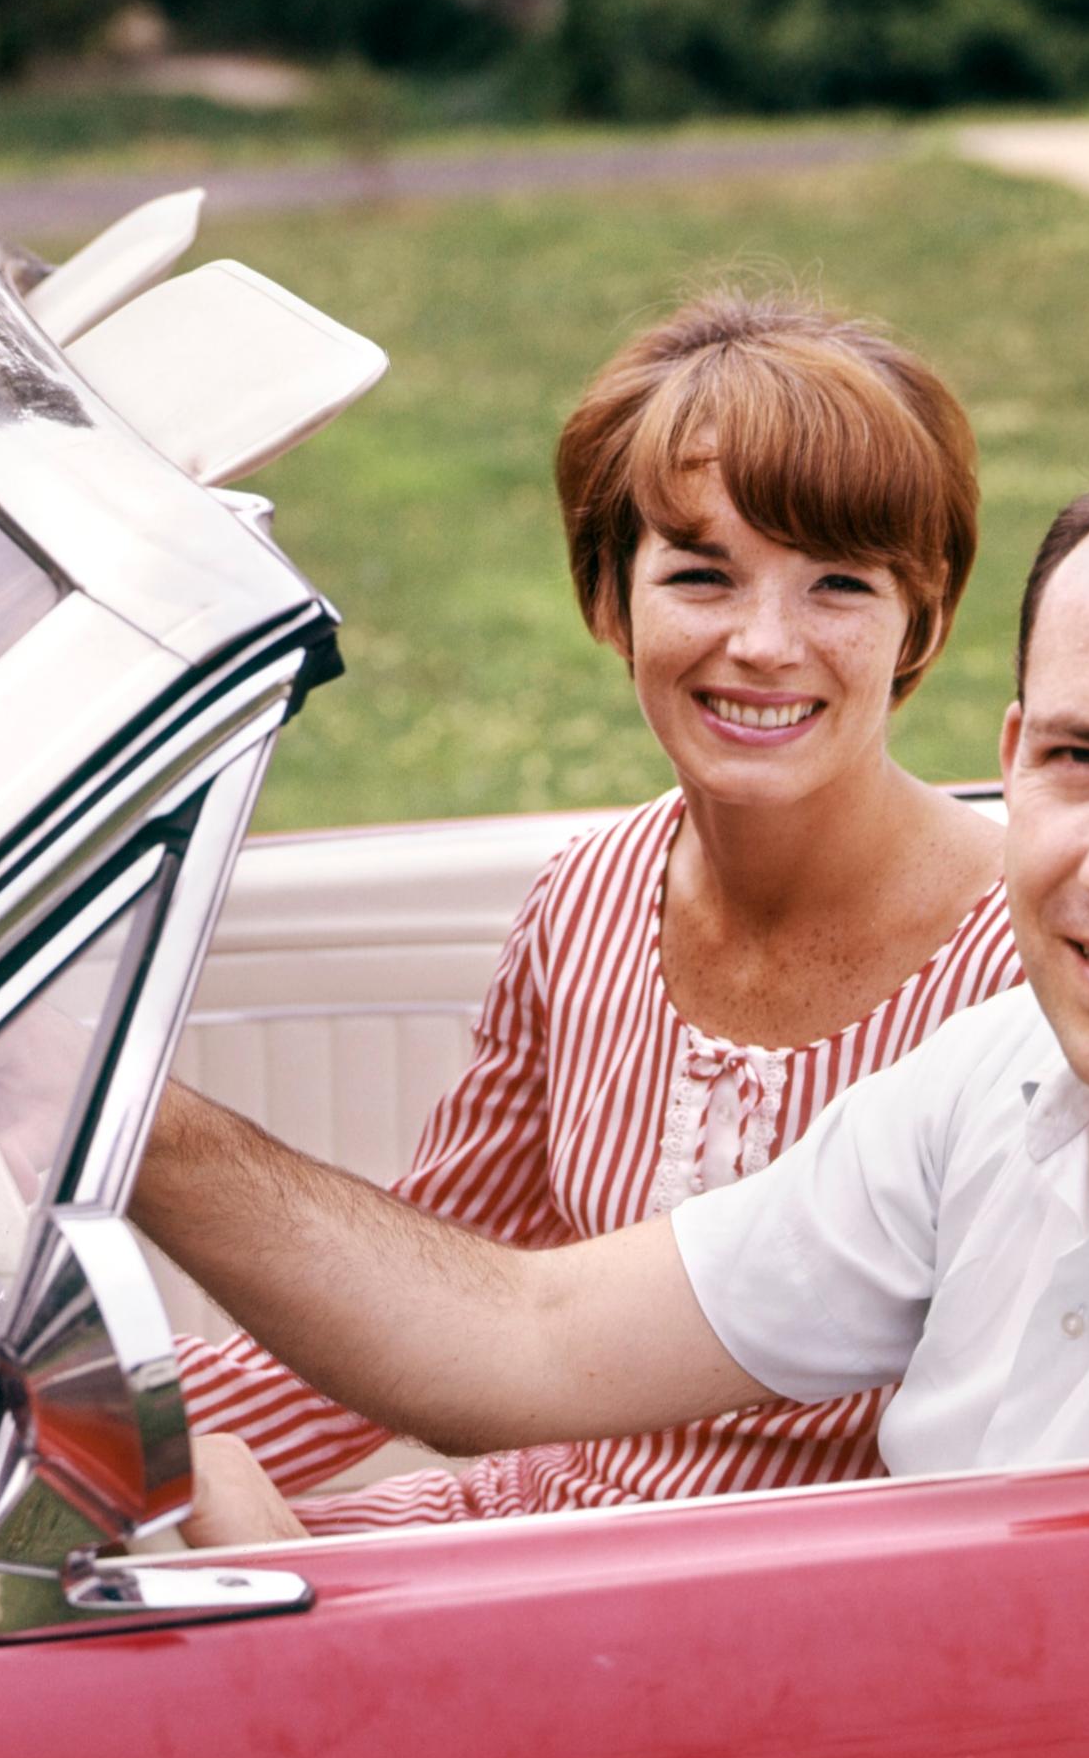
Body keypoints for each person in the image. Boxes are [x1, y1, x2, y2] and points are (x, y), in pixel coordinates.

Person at [145, 448, 1089, 1529]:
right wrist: (128, 1125)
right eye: (1083, 761)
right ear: (1018, 745)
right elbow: (525, 1339)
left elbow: (1047, 1727)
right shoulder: (1016, 1073)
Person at [178, 291, 1020, 1540]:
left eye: (838, 585)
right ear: (611, 603)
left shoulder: (1024, 966)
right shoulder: (585, 899)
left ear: (925, 620)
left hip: (826, 1600)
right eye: (701, 575)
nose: (764, 642)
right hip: (537, 1525)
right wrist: (104, 1435)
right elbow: (423, 1295)